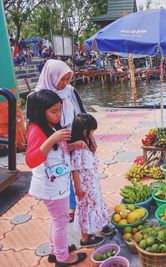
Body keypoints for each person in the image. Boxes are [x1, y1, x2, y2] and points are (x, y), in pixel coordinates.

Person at [25, 90, 87, 266]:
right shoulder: (36, 130)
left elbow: (58, 151)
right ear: (40, 111)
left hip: (57, 182)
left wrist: (72, 145)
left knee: (56, 219)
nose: (58, 114)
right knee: (61, 221)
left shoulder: (51, 126)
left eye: (60, 110)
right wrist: (51, 139)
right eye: (54, 111)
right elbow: (31, 160)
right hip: (50, 186)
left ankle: (56, 251)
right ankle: (63, 257)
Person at [33, 59, 88, 223]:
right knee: (61, 173)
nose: (64, 83)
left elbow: (81, 112)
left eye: (67, 79)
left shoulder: (70, 91)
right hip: (53, 142)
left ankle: (81, 198)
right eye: (61, 79)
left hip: (71, 134)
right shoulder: (38, 96)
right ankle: (69, 206)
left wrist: (87, 135)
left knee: (77, 169)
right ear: (51, 77)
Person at [70, 113, 113, 247]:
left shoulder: (86, 143)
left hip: (92, 184)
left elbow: (94, 149)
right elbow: (75, 170)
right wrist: (78, 189)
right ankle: (85, 238)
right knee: (85, 209)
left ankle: (103, 225)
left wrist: (91, 137)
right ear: (85, 131)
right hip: (84, 187)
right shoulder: (77, 149)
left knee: (98, 204)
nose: (93, 133)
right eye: (92, 130)